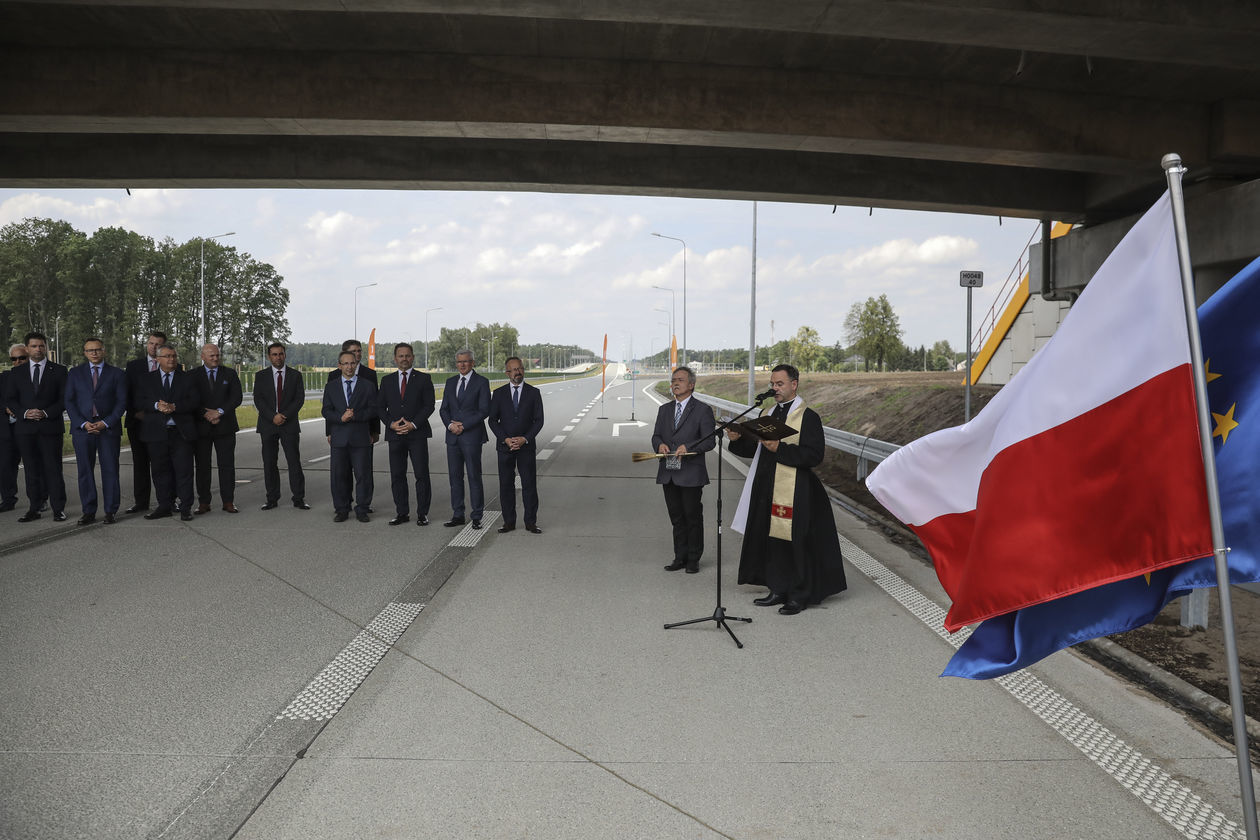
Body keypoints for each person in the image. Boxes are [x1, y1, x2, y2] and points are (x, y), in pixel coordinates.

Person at [727, 364, 847, 615]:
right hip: (767, 486)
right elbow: (755, 449)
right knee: (772, 539)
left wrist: (779, 449)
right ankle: (778, 588)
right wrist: (738, 441)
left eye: (779, 384)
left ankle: (798, 594)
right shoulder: (768, 411)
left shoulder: (808, 417)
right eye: (772, 384)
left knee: (795, 541)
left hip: (797, 490)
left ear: (794, 384)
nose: (775, 388)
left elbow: (814, 455)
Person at [651, 366, 716, 573]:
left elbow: (709, 441)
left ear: (691, 384)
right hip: (669, 472)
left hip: (691, 473)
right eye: (673, 380)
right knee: (676, 518)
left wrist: (689, 448)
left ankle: (693, 559)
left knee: (692, 516)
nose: (675, 383)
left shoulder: (702, 410)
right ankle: (679, 557)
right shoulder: (665, 409)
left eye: (680, 380)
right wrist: (659, 445)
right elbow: (656, 436)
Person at [6, 332, 68, 522]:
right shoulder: (16, 373)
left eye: (41, 346)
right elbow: (10, 399)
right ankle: (34, 508)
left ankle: (58, 509)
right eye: (34, 346)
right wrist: (24, 413)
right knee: (31, 470)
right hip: (25, 429)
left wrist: (45, 412)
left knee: (53, 469)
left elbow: (64, 399)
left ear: (46, 347)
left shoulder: (58, 370)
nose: (38, 349)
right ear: (27, 348)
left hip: (50, 428)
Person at [64, 337, 127, 525]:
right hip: (83, 430)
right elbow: (69, 401)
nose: (94, 353)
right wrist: (83, 424)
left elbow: (121, 402)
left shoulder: (117, 374)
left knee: (110, 471)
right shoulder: (74, 373)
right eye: (90, 350)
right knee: (85, 472)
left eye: (97, 349)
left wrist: (106, 422)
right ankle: (89, 511)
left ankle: (110, 511)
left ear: (104, 351)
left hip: (108, 430)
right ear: (84, 353)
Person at [140, 344, 200, 521]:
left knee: (184, 471)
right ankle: (164, 505)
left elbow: (195, 401)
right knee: (159, 471)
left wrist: (175, 407)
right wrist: (156, 406)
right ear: (158, 359)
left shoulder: (187, 378)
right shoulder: (146, 379)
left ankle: (185, 507)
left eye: (174, 356)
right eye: (167, 356)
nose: (171, 359)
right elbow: (139, 400)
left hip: (180, 433)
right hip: (156, 433)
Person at [377, 342, 435, 526]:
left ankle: (422, 513)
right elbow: (379, 407)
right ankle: (402, 512)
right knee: (397, 475)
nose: (404, 359)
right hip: (395, 435)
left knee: (421, 475)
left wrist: (414, 424)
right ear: (395, 359)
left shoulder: (424, 379)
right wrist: (391, 424)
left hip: (416, 434)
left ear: (413, 358)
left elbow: (429, 406)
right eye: (401, 356)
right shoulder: (387, 381)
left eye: (407, 355)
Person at [487, 356, 544, 534]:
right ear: (507, 373)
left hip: (526, 447)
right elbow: (492, 421)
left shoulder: (534, 393)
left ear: (523, 370)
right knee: (506, 486)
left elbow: (539, 421)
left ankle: (530, 522)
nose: (517, 372)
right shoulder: (498, 393)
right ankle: (509, 522)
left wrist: (525, 438)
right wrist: (505, 439)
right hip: (505, 447)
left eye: (519, 369)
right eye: (513, 370)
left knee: (529, 485)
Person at [322, 350, 377, 522]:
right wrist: (340, 418)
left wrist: (356, 415)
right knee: (338, 476)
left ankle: (362, 508)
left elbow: (374, 409)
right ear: (339, 366)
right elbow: (326, 410)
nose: (349, 367)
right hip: (339, 438)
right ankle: (342, 508)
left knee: (363, 475)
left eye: (352, 363)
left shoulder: (367, 385)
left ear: (356, 364)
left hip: (360, 437)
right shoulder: (331, 386)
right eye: (345, 363)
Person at [253, 342, 309, 510]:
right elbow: (259, 400)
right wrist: (273, 416)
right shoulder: (261, 376)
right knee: (269, 463)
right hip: (268, 425)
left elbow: (299, 399)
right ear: (269, 357)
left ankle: (298, 498)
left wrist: (284, 416)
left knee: (294, 462)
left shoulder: (295, 375)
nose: (278, 357)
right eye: (274, 354)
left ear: (285, 355)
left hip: (289, 424)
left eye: (281, 354)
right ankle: (272, 498)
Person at [438, 349, 490, 529]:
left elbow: (484, 411)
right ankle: (457, 514)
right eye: (459, 362)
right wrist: (450, 426)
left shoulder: (482, 382)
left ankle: (477, 516)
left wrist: (463, 425)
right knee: (455, 477)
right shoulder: (451, 382)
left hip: (472, 437)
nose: (462, 365)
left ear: (472, 363)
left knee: (474, 477)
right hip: (452, 437)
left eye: (466, 361)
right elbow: (443, 409)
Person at [192, 343, 243, 514]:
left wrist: (219, 412)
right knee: (202, 466)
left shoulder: (230, 373)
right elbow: (189, 399)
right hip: (201, 428)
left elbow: (236, 397)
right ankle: (204, 502)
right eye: (211, 355)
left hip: (225, 427)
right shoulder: (192, 375)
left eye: (217, 355)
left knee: (227, 465)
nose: (215, 358)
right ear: (203, 356)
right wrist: (206, 414)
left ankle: (228, 501)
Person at [123, 331, 169, 514]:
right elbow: (126, 394)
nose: (154, 347)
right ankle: (141, 502)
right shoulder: (133, 366)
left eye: (158, 344)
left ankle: (167, 501)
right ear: (147, 344)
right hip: (138, 422)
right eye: (151, 343)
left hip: (162, 423)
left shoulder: (171, 365)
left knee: (163, 464)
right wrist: (138, 413)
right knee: (140, 464)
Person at [326, 339, 380, 442]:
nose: (357, 353)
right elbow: (330, 407)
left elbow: (374, 405)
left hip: (364, 432)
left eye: (359, 351)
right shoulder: (333, 375)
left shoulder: (370, 374)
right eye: (353, 351)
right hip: (339, 431)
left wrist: (375, 431)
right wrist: (329, 432)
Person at [0, 343, 28, 512]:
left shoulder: (36, 376)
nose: (18, 361)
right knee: (5, 466)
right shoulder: (3, 378)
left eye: (21, 358)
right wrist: (5, 408)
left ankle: (41, 498)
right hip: (8, 430)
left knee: (35, 464)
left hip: (30, 427)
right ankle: (8, 499)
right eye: (14, 359)